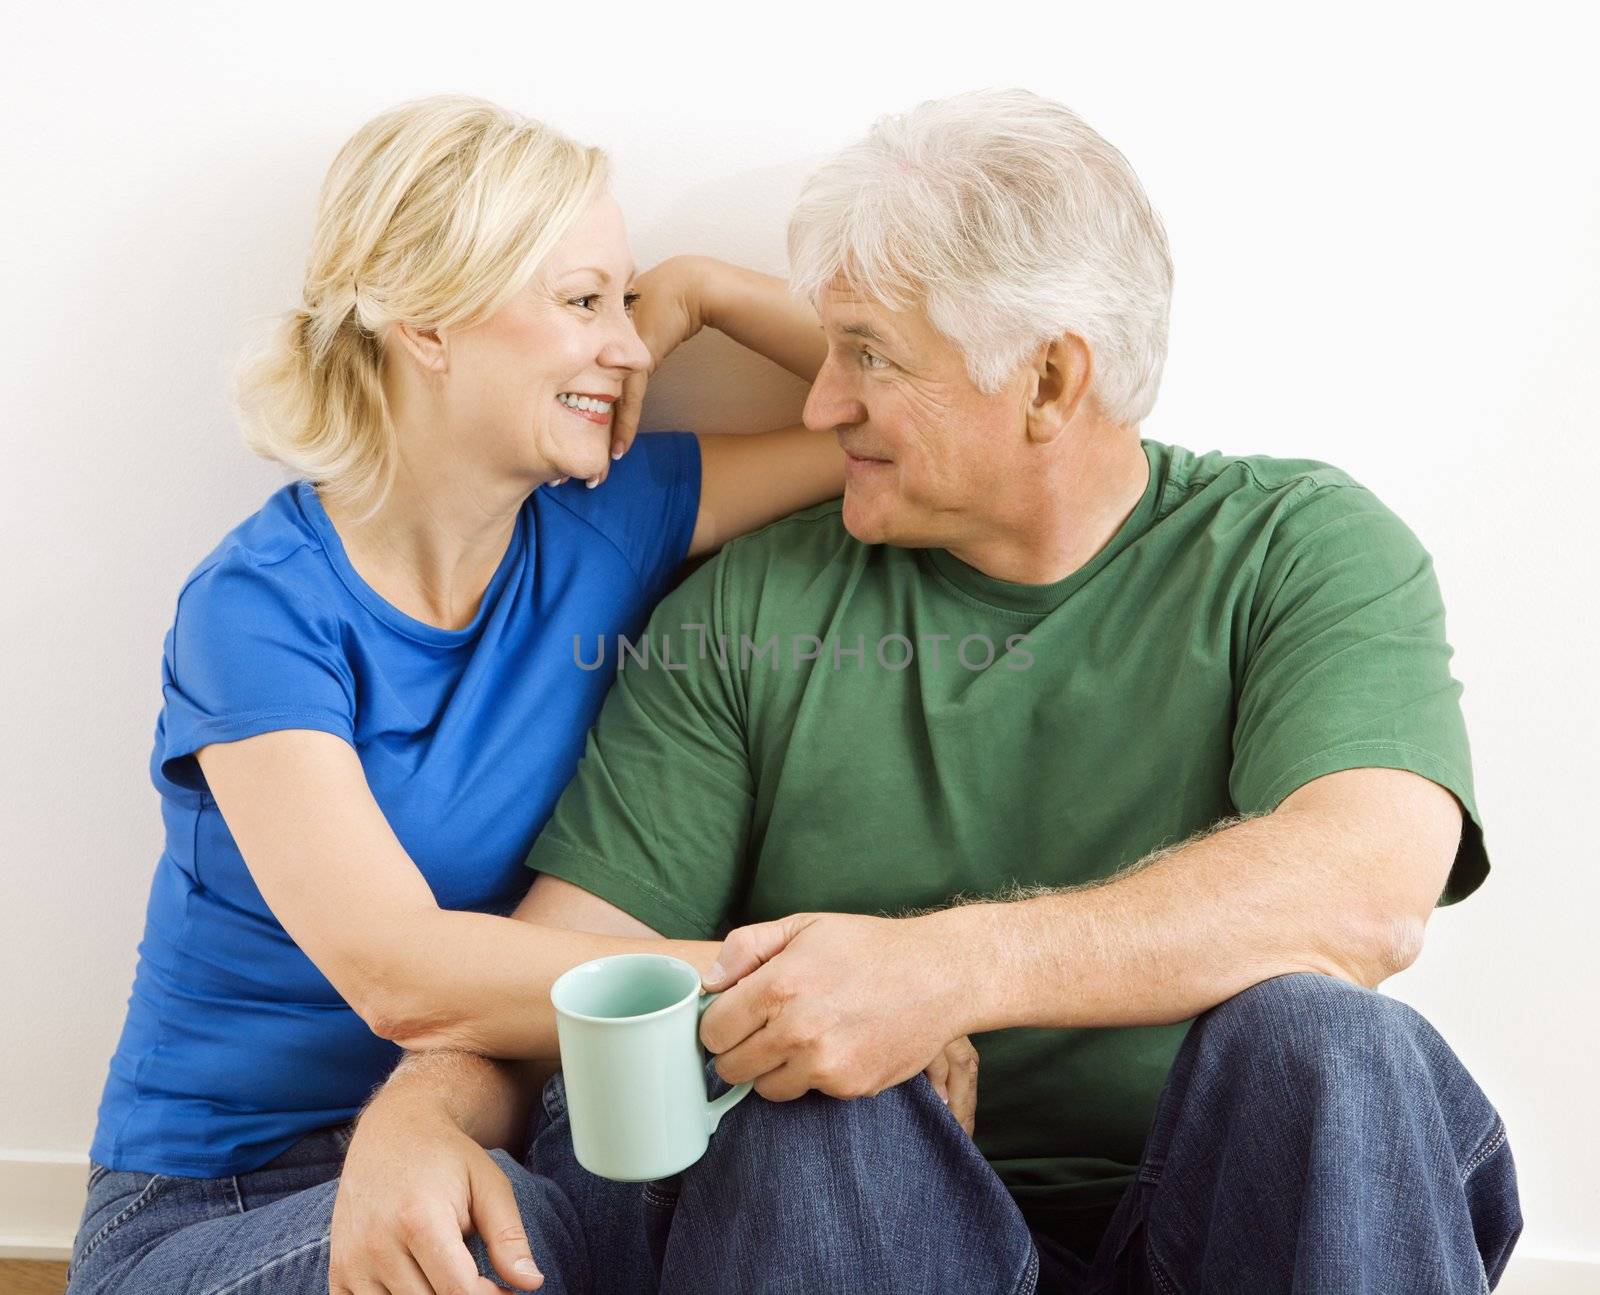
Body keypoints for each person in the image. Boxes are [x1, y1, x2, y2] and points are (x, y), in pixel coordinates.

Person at [334, 89, 1524, 1293]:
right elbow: (583, 964)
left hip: (1226, 1222)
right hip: (870, 1228)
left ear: (1051, 383)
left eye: (868, 354)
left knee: (1327, 1039)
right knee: (816, 1098)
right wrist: (418, 1116)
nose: (816, 401)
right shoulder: (750, 609)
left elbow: (1365, 889)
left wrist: (943, 969)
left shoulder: (1297, 547)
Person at [65, 93, 967, 1295]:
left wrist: (705, 285)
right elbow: (402, 973)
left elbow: (914, 414)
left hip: (506, 1147)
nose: (635, 347)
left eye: (631, 303)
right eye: (584, 300)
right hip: (226, 1202)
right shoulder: (258, 607)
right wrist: (793, 984)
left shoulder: (612, 515)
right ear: (427, 322)